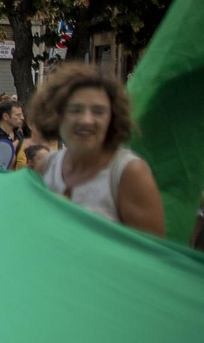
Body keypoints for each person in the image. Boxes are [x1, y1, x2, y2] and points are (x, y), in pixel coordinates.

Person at [33, 63, 165, 236]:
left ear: (113, 118)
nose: (87, 120)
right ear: (56, 114)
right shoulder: (46, 167)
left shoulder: (130, 173)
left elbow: (151, 254)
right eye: (75, 110)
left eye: (98, 111)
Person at [0, 99, 25, 171]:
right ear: (6, 116)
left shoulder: (20, 136)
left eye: (22, 115)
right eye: (18, 115)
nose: (22, 118)